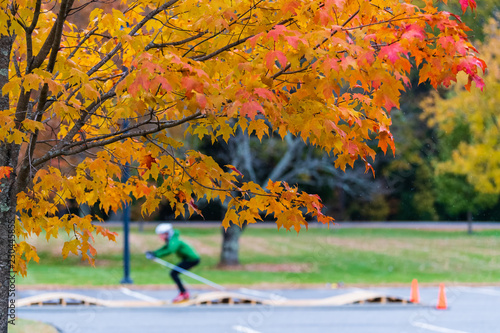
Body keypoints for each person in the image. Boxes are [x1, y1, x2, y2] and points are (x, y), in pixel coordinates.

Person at [146, 223, 200, 303]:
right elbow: (165, 248)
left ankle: (184, 293)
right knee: (174, 273)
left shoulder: (174, 240)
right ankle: (184, 292)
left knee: (174, 273)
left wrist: (156, 255)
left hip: (192, 259)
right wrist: (154, 253)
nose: (160, 237)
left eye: (161, 235)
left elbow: (170, 250)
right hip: (187, 259)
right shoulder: (171, 239)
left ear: (167, 233)